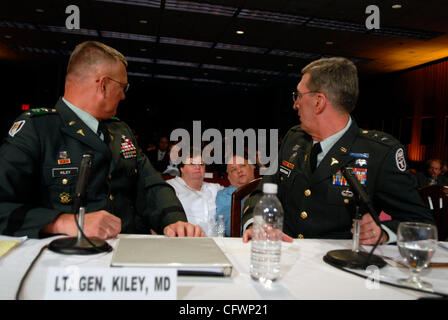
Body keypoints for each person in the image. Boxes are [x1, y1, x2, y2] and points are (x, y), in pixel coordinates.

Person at [0, 41, 204, 239]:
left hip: (129, 252)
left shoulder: (121, 131)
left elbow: (151, 186)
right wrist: (64, 222)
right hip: (67, 259)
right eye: (123, 87)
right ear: (103, 85)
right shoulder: (38, 129)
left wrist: (173, 220)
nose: (124, 96)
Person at [242, 57, 434, 245]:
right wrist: (256, 224)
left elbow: (422, 224)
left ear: (319, 102)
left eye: (299, 96)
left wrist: (383, 233)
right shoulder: (293, 139)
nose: (295, 104)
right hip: (284, 259)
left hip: (340, 268)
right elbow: (262, 193)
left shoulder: (379, 153)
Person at [166, 149, 224, 236]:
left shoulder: (214, 188)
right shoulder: (170, 187)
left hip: (214, 241)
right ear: (181, 168)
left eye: (201, 164)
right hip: (185, 240)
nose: (198, 167)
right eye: (192, 164)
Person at [216, 155, 256, 236]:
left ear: (252, 168)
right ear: (229, 177)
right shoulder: (222, 196)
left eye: (242, 166)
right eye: (233, 169)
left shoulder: (265, 190)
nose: (239, 171)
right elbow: (227, 228)